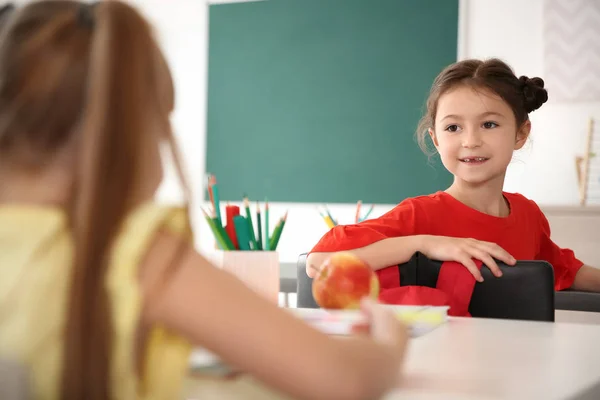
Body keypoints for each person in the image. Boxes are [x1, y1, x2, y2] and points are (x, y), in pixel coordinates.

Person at [0, 1, 408, 399]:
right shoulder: (138, 253)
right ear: (123, 131)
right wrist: (390, 345)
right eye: (161, 126)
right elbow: (342, 379)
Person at [307, 58, 600, 294]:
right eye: (453, 128)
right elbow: (319, 261)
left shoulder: (528, 215)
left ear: (521, 133)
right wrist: (423, 244)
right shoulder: (419, 215)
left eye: (488, 124)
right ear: (436, 139)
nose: (470, 141)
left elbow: (566, 271)